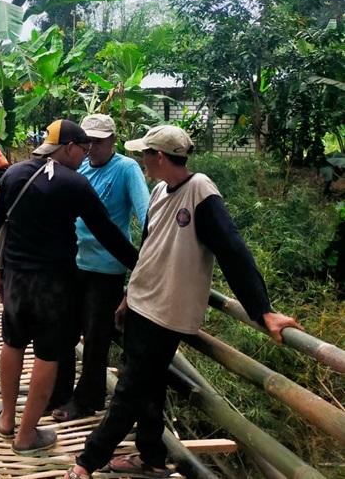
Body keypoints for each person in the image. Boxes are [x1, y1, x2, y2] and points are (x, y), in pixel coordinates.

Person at [64, 125, 302, 479]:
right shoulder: (160, 190)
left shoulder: (200, 192)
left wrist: (262, 311)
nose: (142, 160)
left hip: (167, 311)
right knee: (149, 387)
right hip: (143, 302)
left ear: (159, 157)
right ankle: (152, 458)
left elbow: (233, 252)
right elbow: (149, 248)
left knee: (130, 389)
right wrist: (129, 294)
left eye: (145, 154)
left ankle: (87, 461)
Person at [0, 119, 138, 456]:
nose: (85, 156)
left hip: (14, 278)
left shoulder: (13, 174)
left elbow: (0, 224)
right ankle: (26, 436)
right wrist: (140, 264)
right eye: (83, 150)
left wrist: (0, 271)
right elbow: (107, 233)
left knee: (12, 343)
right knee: (48, 354)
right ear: (69, 147)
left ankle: (7, 419)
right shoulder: (74, 183)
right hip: (53, 285)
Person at [50, 114, 150, 422]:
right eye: (88, 141)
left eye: (99, 141)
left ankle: (88, 399)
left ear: (113, 141)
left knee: (95, 337)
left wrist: (143, 268)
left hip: (106, 268)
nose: (92, 147)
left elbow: (148, 215)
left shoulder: (126, 169)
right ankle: (60, 392)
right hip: (73, 262)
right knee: (63, 331)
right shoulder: (77, 167)